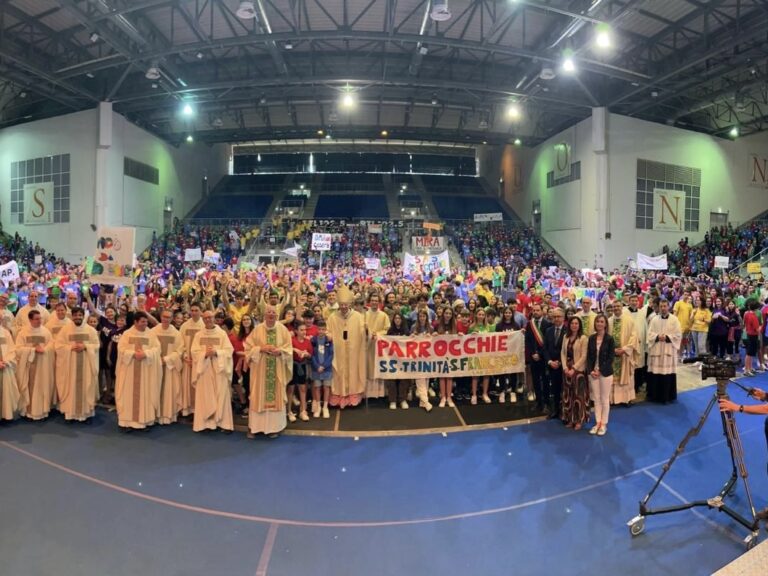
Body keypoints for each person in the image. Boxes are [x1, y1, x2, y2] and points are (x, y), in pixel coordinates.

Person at [245, 305, 293, 438]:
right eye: (269, 312)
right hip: (260, 371)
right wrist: (260, 348)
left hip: (276, 369)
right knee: (258, 396)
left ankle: (274, 428)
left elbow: (289, 349)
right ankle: (255, 427)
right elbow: (248, 348)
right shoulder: (257, 329)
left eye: (273, 313)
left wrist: (280, 351)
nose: (271, 315)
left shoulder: (283, 330)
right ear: (264, 315)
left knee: (275, 397)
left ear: (277, 315)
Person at [115, 312, 162, 430]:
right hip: (129, 370)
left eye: (146, 322)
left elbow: (157, 349)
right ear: (135, 322)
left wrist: (146, 354)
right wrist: (133, 354)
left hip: (145, 370)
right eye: (143, 322)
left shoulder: (151, 334)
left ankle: (144, 421)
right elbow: (121, 349)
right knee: (128, 394)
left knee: (145, 393)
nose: (145, 324)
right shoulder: (127, 334)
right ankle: (126, 422)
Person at [190, 310, 234, 433]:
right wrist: (204, 354)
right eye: (206, 318)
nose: (208, 320)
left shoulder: (222, 334)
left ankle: (223, 423)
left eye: (210, 317)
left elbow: (229, 351)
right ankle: (205, 424)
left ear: (214, 318)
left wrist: (216, 352)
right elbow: (194, 352)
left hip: (219, 370)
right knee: (205, 396)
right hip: (204, 370)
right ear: (203, 319)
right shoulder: (198, 335)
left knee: (221, 395)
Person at [54, 307, 99, 422]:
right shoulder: (65, 330)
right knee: (71, 386)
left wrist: (86, 347)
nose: (78, 317)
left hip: (86, 366)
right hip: (70, 366)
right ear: (72, 316)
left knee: (86, 386)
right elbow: (58, 345)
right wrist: (70, 347)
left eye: (80, 315)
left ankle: (86, 413)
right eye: (75, 315)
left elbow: (96, 345)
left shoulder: (91, 330)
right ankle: (70, 413)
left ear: (83, 316)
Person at [327, 284, 366, 408]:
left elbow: (363, 331)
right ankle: (339, 394)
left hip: (353, 350)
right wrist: (329, 335)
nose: (343, 307)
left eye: (345, 304)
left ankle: (352, 394)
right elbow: (328, 330)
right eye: (341, 304)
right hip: (338, 351)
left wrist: (366, 331)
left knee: (353, 370)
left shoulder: (358, 317)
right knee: (338, 370)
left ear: (349, 304)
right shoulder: (333, 317)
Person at [16, 310, 56, 420]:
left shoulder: (46, 332)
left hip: (43, 365)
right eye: (36, 319)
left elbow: (51, 345)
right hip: (29, 366)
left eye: (40, 318)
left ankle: (41, 411)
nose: (39, 321)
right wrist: (33, 350)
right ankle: (27, 412)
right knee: (29, 388)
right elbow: (18, 349)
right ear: (30, 320)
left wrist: (45, 349)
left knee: (42, 387)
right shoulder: (23, 333)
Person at [150, 309, 184, 425]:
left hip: (169, 367)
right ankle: (154, 415)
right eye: (164, 316)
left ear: (172, 319)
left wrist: (166, 359)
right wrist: (156, 359)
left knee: (169, 390)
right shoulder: (153, 332)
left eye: (169, 317)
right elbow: (149, 348)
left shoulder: (176, 334)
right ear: (160, 317)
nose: (166, 319)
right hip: (155, 366)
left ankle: (168, 415)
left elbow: (179, 351)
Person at [646, 299, 683, 404]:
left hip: (668, 351)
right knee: (655, 374)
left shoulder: (674, 319)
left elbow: (678, 334)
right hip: (657, 350)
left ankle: (667, 397)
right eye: (661, 306)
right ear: (659, 307)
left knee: (667, 374)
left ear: (668, 307)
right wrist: (657, 337)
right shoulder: (654, 319)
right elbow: (649, 334)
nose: (663, 308)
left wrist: (667, 337)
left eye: (665, 306)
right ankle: (654, 396)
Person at [586, 314, 615, 436]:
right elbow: (589, 356)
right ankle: (597, 422)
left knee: (604, 399)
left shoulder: (609, 339)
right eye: (597, 321)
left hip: (605, 373)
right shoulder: (591, 338)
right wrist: (591, 370)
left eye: (602, 321)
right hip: (593, 373)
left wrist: (600, 370)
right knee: (596, 399)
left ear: (605, 324)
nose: (599, 324)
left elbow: (610, 358)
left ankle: (604, 424)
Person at [608, 301, 638, 405]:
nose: (616, 308)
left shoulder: (629, 320)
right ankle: (613, 399)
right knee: (613, 378)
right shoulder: (609, 321)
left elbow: (634, 337)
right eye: (614, 306)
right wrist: (612, 350)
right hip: (612, 354)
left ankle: (626, 399)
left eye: (618, 306)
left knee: (626, 376)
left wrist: (625, 349)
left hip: (625, 354)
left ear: (622, 307)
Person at [561, 316, 588, 430]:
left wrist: (574, 369)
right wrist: (565, 368)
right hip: (567, 370)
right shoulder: (565, 337)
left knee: (578, 397)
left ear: (579, 325)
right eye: (572, 323)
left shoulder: (583, 338)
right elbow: (562, 352)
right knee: (568, 396)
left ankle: (578, 420)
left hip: (578, 372)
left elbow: (584, 356)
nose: (574, 325)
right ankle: (569, 419)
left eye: (576, 323)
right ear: (569, 325)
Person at [179, 302, 204, 416]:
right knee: (186, 384)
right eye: (192, 310)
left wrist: (198, 359)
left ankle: (198, 409)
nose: (194, 312)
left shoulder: (204, 326)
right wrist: (185, 356)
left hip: (200, 362)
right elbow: (180, 343)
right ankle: (187, 409)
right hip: (187, 361)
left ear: (201, 311)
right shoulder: (185, 326)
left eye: (196, 310)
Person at [364, 292, 390, 400]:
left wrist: (378, 334)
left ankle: (379, 393)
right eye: (372, 300)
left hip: (379, 344)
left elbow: (386, 328)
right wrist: (369, 332)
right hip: (368, 344)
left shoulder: (384, 315)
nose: (374, 302)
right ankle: (369, 393)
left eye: (376, 301)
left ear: (379, 302)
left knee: (378, 367)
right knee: (368, 367)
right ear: (369, 302)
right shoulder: (364, 314)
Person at [526, 303, 551, 412]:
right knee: (535, 381)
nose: (535, 312)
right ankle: (538, 402)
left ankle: (546, 403)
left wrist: (539, 354)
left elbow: (548, 343)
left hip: (544, 358)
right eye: (534, 310)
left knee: (545, 382)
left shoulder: (548, 324)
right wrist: (532, 353)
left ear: (542, 311)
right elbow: (527, 340)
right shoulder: (529, 324)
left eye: (537, 310)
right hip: (533, 358)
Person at [543, 307, 566, 418]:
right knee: (555, 390)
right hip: (551, 366)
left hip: (564, 366)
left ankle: (565, 412)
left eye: (559, 316)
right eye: (555, 316)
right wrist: (549, 361)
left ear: (563, 318)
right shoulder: (548, 331)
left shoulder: (568, 330)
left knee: (565, 390)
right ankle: (555, 411)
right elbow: (545, 348)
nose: (556, 319)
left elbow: (569, 350)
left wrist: (560, 362)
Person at [386, 312, 410, 410]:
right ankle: (393, 401)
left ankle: (403, 400)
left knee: (404, 379)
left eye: (399, 318)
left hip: (403, 359)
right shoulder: (390, 331)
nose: (397, 320)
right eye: (395, 318)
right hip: (392, 359)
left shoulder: (406, 331)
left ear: (402, 320)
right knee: (391, 379)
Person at [289, 321, 313, 421]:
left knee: (303, 389)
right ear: (296, 331)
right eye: (301, 330)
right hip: (292, 366)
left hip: (302, 367)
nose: (304, 332)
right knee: (290, 389)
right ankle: (289, 411)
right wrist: (294, 350)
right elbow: (287, 350)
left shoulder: (307, 342)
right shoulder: (291, 340)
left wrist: (307, 354)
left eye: (305, 330)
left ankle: (303, 411)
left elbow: (311, 355)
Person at [310, 319, 333, 419]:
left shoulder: (328, 340)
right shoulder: (313, 340)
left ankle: (325, 407)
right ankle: (318, 407)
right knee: (317, 387)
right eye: (319, 329)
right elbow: (312, 354)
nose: (321, 331)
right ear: (317, 330)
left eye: (323, 329)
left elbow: (331, 355)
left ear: (326, 330)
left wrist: (324, 366)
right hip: (316, 368)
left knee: (326, 387)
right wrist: (317, 366)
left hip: (326, 368)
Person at [0, 321, 21, 421]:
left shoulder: (6, 333)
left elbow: (12, 349)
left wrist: (6, 361)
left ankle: (4, 414)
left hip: (5, 366)